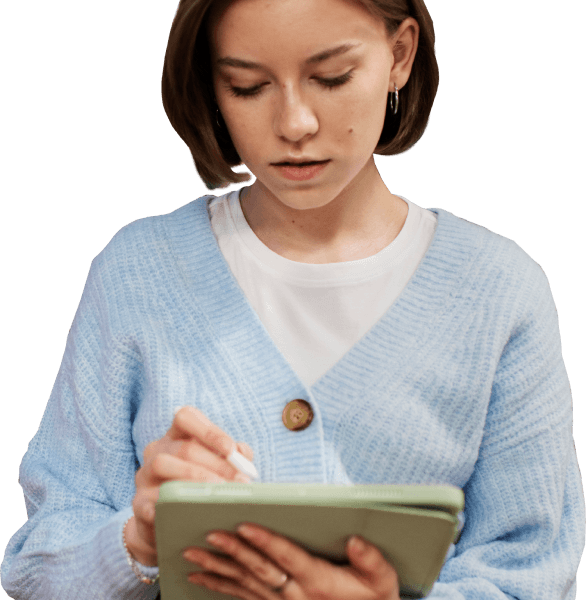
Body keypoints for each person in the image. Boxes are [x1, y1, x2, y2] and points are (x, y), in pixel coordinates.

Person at [1, 0, 584, 598]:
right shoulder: (137, 273)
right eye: (247, 86)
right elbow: (34, 572)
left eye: (332, 78)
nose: (295, 123)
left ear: (400, 55)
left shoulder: (500, 291)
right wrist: (138, 540)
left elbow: (533, 577)